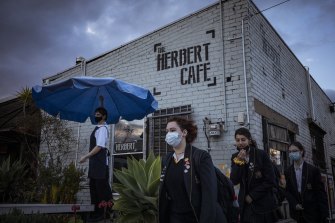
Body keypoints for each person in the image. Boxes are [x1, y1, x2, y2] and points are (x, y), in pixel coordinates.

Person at [159, 117, 226, 223]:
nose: (168, 134)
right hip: (174, 217)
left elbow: (209, 195)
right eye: (167, 131)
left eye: (172, 130)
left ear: (184, 132)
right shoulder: (166, 159)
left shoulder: (200, 156)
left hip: (195, 217)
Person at [230, 127, 278, 223]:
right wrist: (239, 162)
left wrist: (252, 195)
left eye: (243, 140)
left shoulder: (261, 154)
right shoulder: (235, 157)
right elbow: (234, 180)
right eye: (237, 140)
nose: (240, 143)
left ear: (249, 140)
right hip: (246, 205)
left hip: (262, 203)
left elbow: (270, 180)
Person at [79, 107, 113, 222]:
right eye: (95, 114)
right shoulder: (97, 128)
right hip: (95, 165)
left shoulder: (103, 129)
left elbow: (99, 147)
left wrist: (85, 156)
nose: (96, 115)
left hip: (100, 165)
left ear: (103, 116)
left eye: (98, 114)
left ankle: (104, 214)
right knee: (93, 189)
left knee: (101, 190)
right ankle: (95, 213)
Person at [284, 141, 328, 223]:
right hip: (298, 215)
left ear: (301, 151)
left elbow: (320, 193)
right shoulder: (288, 171)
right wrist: (294, 204)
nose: (292, 153)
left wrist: (325, 215)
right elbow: (287, 191)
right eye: (290, 152)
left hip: (313, 213)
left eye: (294, 151)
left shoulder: (312, 170)